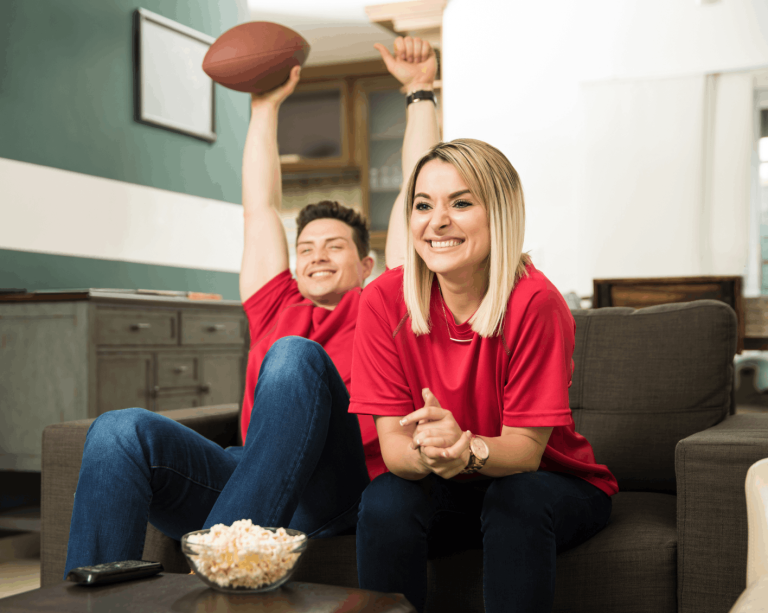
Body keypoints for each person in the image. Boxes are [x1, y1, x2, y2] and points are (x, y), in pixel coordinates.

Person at [62, 36, 441, 578]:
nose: (316, 256)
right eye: (305, 249)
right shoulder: (275, 304)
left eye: (334, 247)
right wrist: (263, 106)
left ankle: (224, 566)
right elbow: (259, 207)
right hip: (251, 478)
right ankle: (94, 603)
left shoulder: (385, 303)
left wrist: (420, 91)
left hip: (337, 490)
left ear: (367, 265)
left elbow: (416, 191)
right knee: (118, 430)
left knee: (294, 356)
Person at [349, 138, 619, 613]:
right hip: (449, 492)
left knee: (516, 498)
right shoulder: (382, 301)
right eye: (423, 205)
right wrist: (429, 450)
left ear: (500, 214)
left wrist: (466, 449)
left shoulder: (536, 303)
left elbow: (526, 452)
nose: (437, 221)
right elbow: (393, 449)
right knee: (386, 499)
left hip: (547, 484)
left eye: (461, 203)